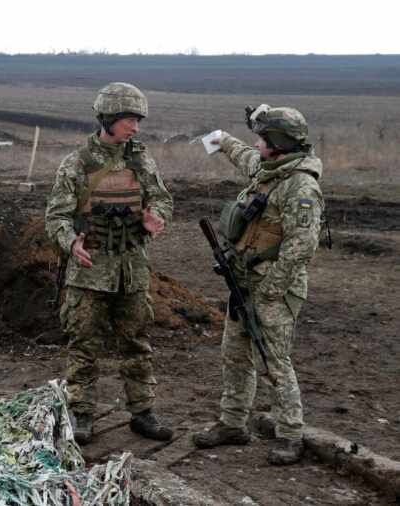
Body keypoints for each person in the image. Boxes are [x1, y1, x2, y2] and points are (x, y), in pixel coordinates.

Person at [193, 105, 324, 465]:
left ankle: (290, 434)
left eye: (263, 138)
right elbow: (244, 156)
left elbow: (301, 247)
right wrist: (219, 140)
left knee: (273, 362)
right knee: (234, 357)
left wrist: (270, 291)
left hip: (274, 290)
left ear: (278, 144)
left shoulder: (300, 187)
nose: (257, 143)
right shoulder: (269, 171)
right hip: (245, 282)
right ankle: (233, 424)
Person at [45, 82, 174, 444]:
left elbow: (163, 200)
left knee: (136, 345)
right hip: (89, 274)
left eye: (138, 120)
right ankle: (81, 415)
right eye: (130, 119)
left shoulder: (141, 159)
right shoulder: (77, 163)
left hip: (131, 271)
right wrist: (71, 243)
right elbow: (56, 216)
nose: (135, 127)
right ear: (109, 118)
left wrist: (155, 217)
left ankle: (143, 414)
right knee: (84, 347)